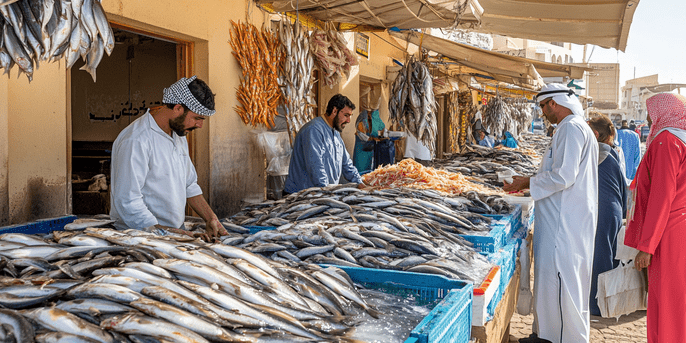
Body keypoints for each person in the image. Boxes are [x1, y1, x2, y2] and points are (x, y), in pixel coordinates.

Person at [504, 83, 598, 343]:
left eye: (544, 106)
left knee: (558, 285)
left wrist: (527, 183)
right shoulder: (572, 128)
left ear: (554, 103)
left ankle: (556, 338)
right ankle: (547, 334)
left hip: (563, 225)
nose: (543, 112)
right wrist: (531, 182)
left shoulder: (570, 128)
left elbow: (564, 176)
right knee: (559, 286)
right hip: (565, 220)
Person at [110, 76, 225, 240]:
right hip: (140, 236)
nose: (200, 125)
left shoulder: (178, 135)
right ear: (178, 108)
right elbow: (128, 201)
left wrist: (210, 217)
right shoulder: (137, 140)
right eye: (197, 118)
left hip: (173, 234)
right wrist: (163, 232)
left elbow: (189, 185)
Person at [626, 93, 686, 343]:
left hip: (669, 232)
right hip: (675, 227)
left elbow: (662, 196)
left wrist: (647, 246)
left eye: (650, 111)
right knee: (673, 298)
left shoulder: (666, 141)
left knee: (667, 299)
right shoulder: (677, 139)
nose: (648, 117)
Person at [587, 115, 628, 317]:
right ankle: (606, 302)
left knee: (600, 258)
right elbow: (623, 186)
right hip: (612, 210)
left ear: (595, 134)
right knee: (608, 257)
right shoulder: (610, 153)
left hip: (602, 210)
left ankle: (598, 305)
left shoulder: (596, 152)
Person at [284, 94, 363, 194]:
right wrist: (327, 193)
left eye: (350, 116)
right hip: (301, 196)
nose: (348, 120)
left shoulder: (336, 134)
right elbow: (316, 167)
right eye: (346, 115)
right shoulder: (314, 130)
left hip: (323, 194)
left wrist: (360, 184)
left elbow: (347, 164)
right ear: (334, 111)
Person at [353, 109, 385, 174]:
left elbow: (382, 127)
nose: (370, 116)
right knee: (360, 169)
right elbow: (363, 136)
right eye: (369, 114)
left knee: (368, 169)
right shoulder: (361, 122)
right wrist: (373, 138)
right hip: (361, 151)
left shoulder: (372, 121)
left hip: (369, 151)